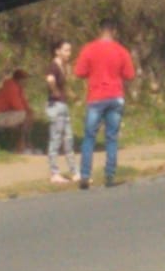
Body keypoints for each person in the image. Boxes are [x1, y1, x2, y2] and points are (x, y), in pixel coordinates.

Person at [74, 18, 135, 189]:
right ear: (114, 31)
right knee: (111, 137)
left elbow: (79, 72)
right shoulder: (121, 51)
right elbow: (129, 74)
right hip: (115, 96)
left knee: (89, 137)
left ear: (99, 30)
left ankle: (85, 175)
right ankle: (109, 175)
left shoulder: (89, 49)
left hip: (96, 97)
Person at [46, 40, 79, 184]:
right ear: (57, 51)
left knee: (68, 139)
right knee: (56, 139)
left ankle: (74, 172)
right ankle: (54, 173)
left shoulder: (64, 67)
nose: (68, 54)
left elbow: (65, 85)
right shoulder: (53, 66)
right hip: (56, 105)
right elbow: (50, 79)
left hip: (63, 105)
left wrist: (72, 95)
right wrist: (55, 92)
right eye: (65, 50)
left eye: (69, 50)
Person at [0, 69, 35, 154]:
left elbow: (25, 104)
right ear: (19, 80)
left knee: (27, 115)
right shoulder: (11, 87)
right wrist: (28, 113)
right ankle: (22, 145)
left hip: (4, 115)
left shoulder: (18, 88)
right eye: (25, 79)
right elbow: (18, 106)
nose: (26, 82)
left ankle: (23, 144)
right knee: (24, 115)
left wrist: (30, 112)